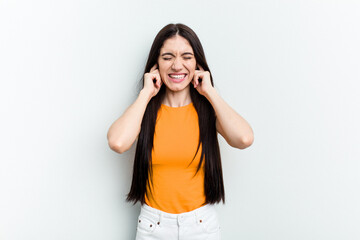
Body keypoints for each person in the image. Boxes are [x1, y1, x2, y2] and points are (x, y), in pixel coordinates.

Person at [107, 23, 254, 240]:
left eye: (186, 57)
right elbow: (118, 142)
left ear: (197, 64)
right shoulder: (144, 111)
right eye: (167, 57)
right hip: (152, 227)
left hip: (201, 226)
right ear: (156, 64)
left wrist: (210, 92)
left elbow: (244, 138)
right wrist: (146, 94)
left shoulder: (207, 112)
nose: (177, 65)